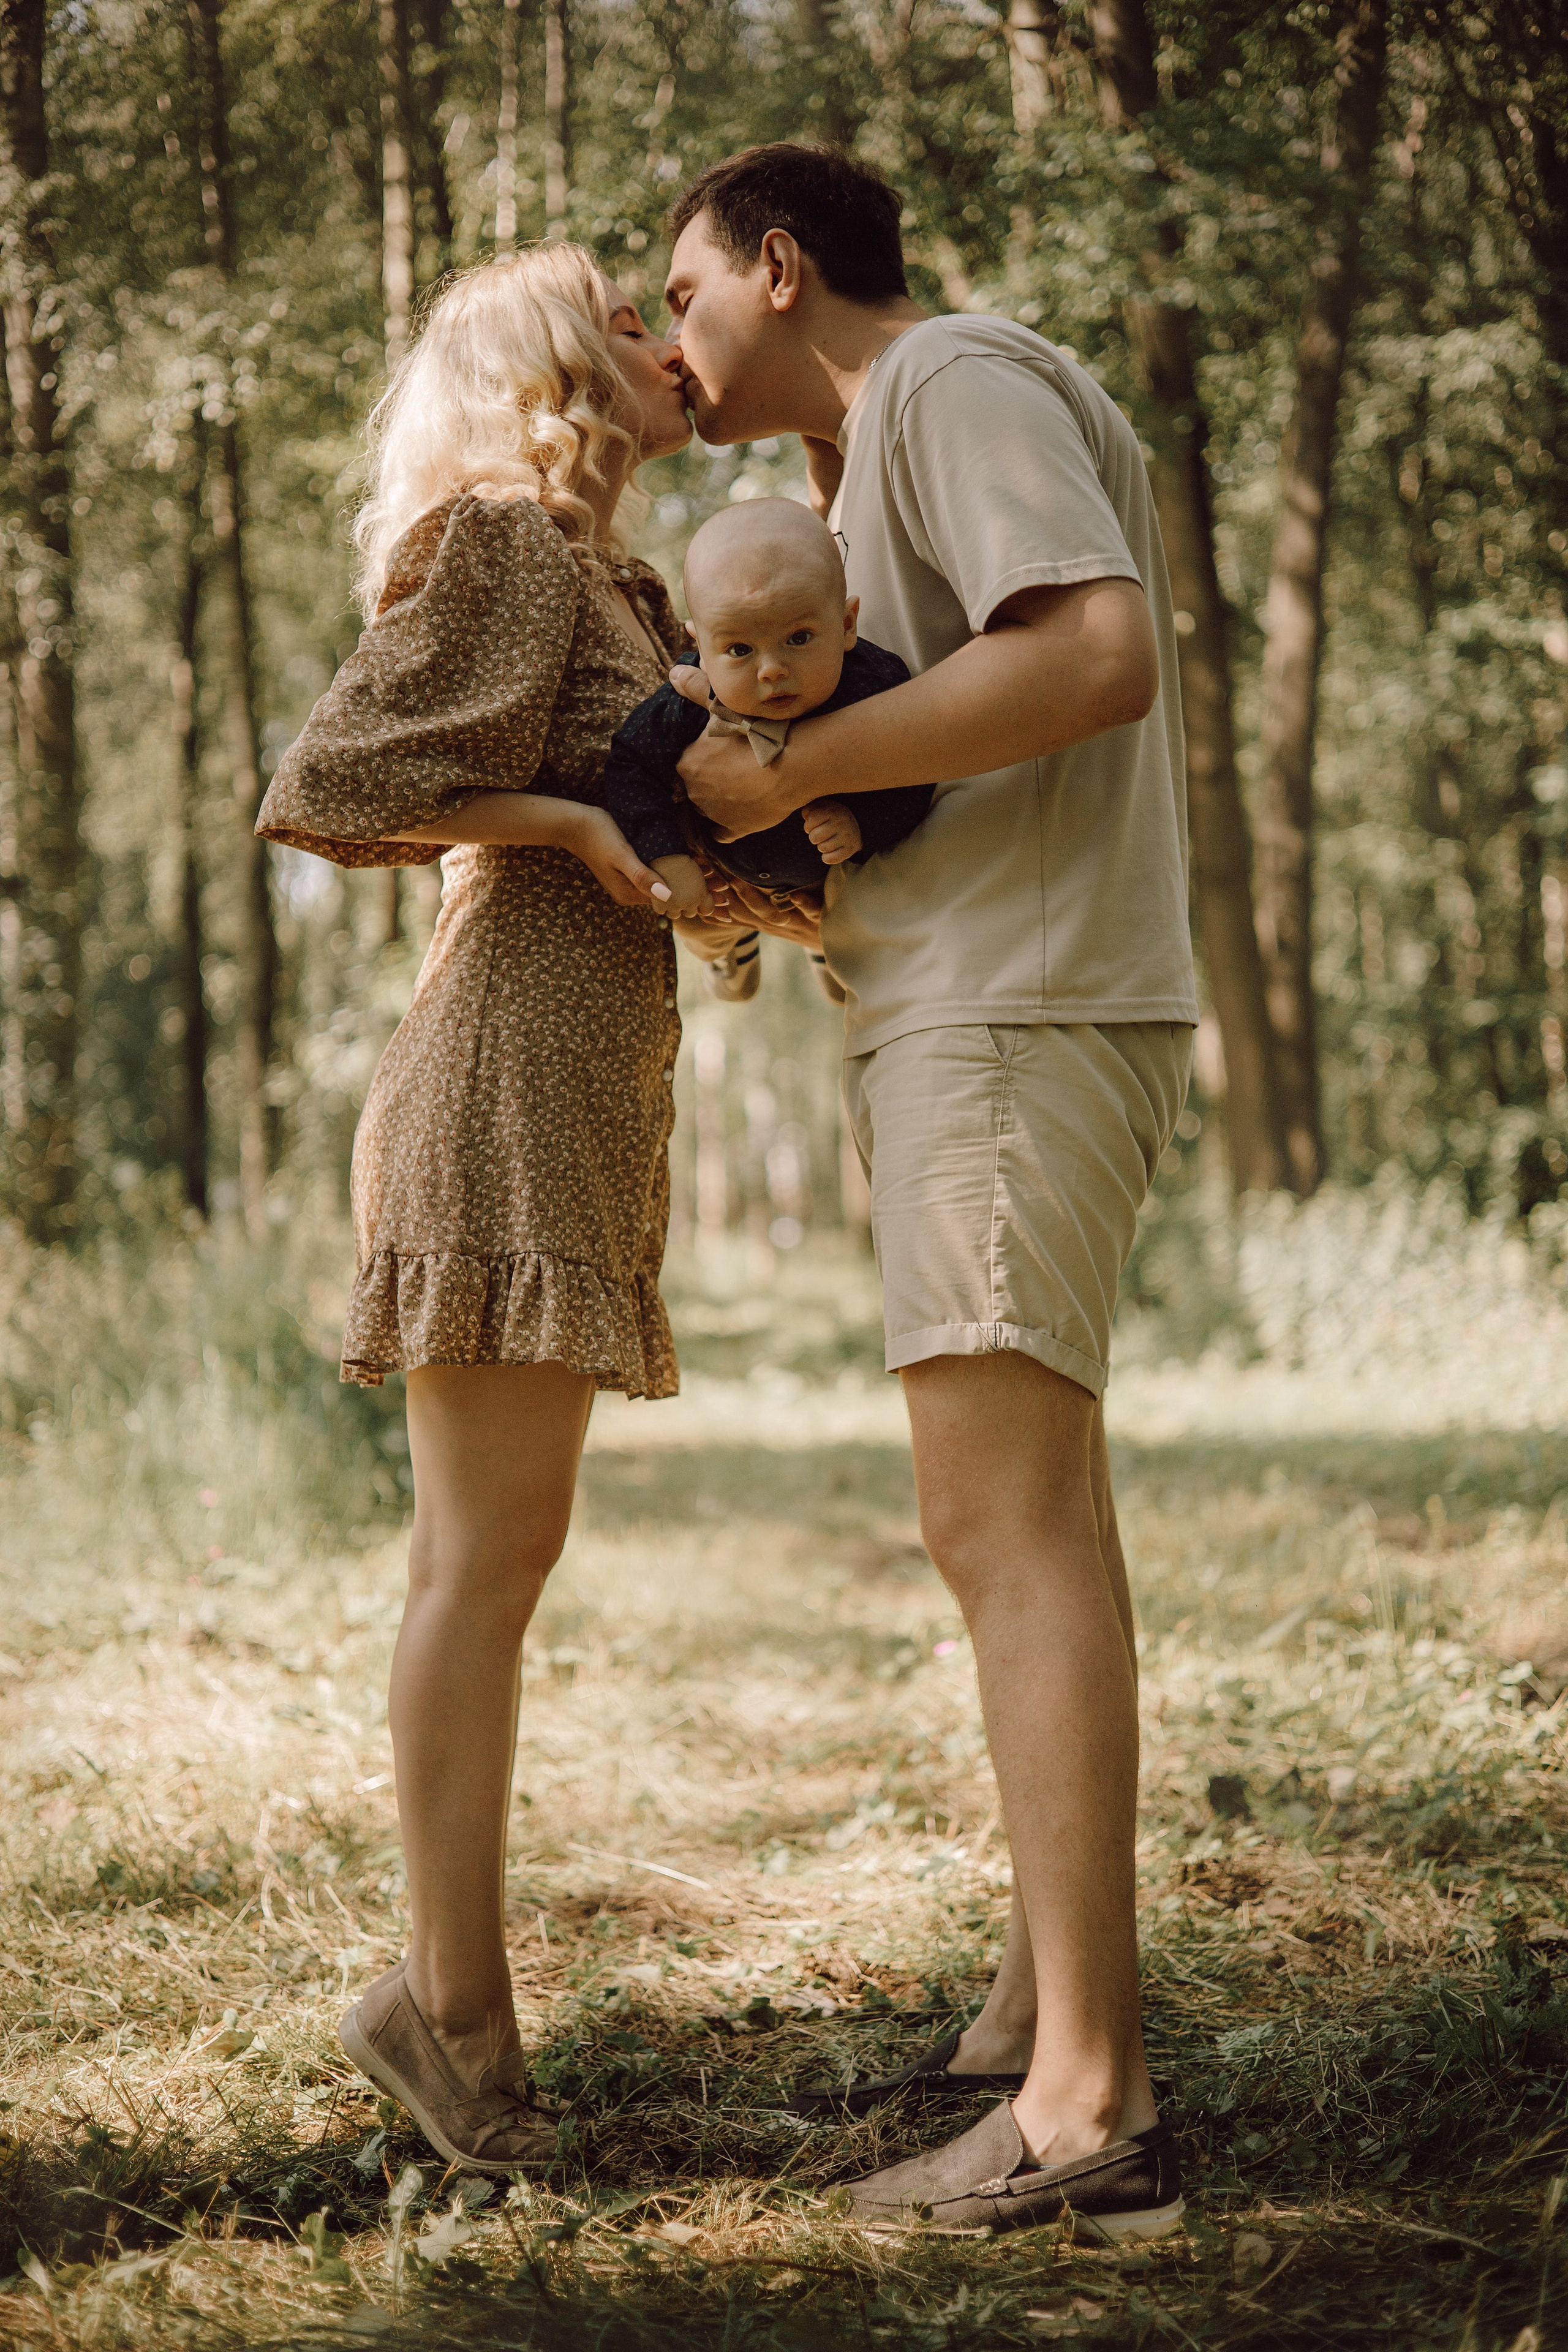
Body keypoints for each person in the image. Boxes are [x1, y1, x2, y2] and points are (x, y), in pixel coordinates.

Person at [663, 145, 1197, 2237]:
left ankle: (1089, 2119)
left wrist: (788, 775)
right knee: (1034, 1510)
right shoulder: (885, 448)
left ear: (783, 270)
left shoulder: (953, 381)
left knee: (997, 1522)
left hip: (1023, 1018)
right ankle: (1036, 2023)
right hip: (987, 1005)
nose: (669, 337)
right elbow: (969, 745)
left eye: (682, 286)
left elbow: (1095, 660)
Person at [254, 244, 690, 2176]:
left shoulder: (626, 578)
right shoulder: (508, 537)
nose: (665, 342)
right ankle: (450, 2016)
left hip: (570, 1089)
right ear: (545, 367)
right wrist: (567, 824)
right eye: (623, 315)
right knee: (480, 1570)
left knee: (492, 1562)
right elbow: (328, 782)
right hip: (497, 1083)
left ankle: (445, 2002)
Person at [600, 499, 930, 918]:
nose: (772, 670)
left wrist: (863, 826)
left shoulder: (875, 686)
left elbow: (920, 771)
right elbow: (630, 764)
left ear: (847, 625)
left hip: (833, 888)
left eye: (798, 639)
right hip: (728, 881)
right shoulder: (686, 700)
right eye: (739, 650)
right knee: (709, 922)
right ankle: (730, 954)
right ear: (700, 649)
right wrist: (668, 856)